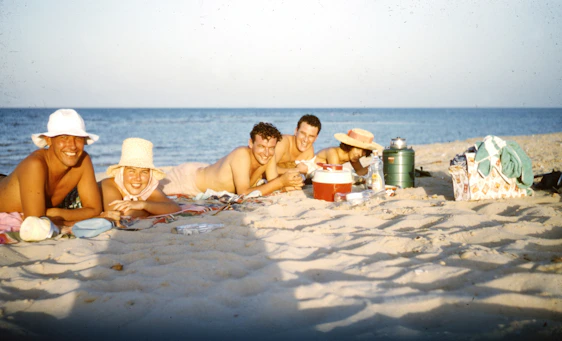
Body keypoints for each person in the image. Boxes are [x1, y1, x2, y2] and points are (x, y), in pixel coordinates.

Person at [0, 109, 102, 227]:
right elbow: (36, 222)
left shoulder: (83, 160)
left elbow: (95, 209)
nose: (72, 146)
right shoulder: (35, 164)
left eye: (78, 138)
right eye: (64, 137)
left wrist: (56, 212)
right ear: (48, 140)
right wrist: (71, 219)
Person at [161, 122, 304, 197]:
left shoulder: (269, 156)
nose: (266, 152)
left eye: (271, 147)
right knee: (148, 193)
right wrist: (281, 181)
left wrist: (289, 183)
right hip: (188, 179)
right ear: (250, 143)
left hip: (207, 171)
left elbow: (273, 185)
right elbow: (243, 192)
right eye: (261, 146)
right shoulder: (241, 154)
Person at [99, 138, 180, 220]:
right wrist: (148, 210)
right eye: (131, 171)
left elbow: (174, 207)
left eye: (144, 172)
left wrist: (143, 205)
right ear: (122, 172)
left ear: (150, 175)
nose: (137, 178)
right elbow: (118, 214)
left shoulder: (148, 187)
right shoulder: (109, 185)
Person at [314, 128, 384, 176]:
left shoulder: (353, 156)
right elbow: (336, 176)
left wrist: (376, 163)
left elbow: (360, 172)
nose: (360, 154)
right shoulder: (332, 153)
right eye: (357, 148)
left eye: (364, 151)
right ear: (349, 146)